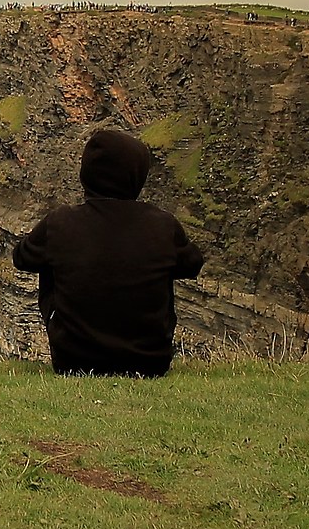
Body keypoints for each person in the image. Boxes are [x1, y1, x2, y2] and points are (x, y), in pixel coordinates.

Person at [11, 127, 206, 377]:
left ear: (87, 173)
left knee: (50, 259)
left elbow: (22, 258)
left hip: (73, 362)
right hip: (150, 364)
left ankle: (78, 339)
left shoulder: (60, 222)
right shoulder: (162, 224)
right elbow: (192, 264)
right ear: (137, 175)